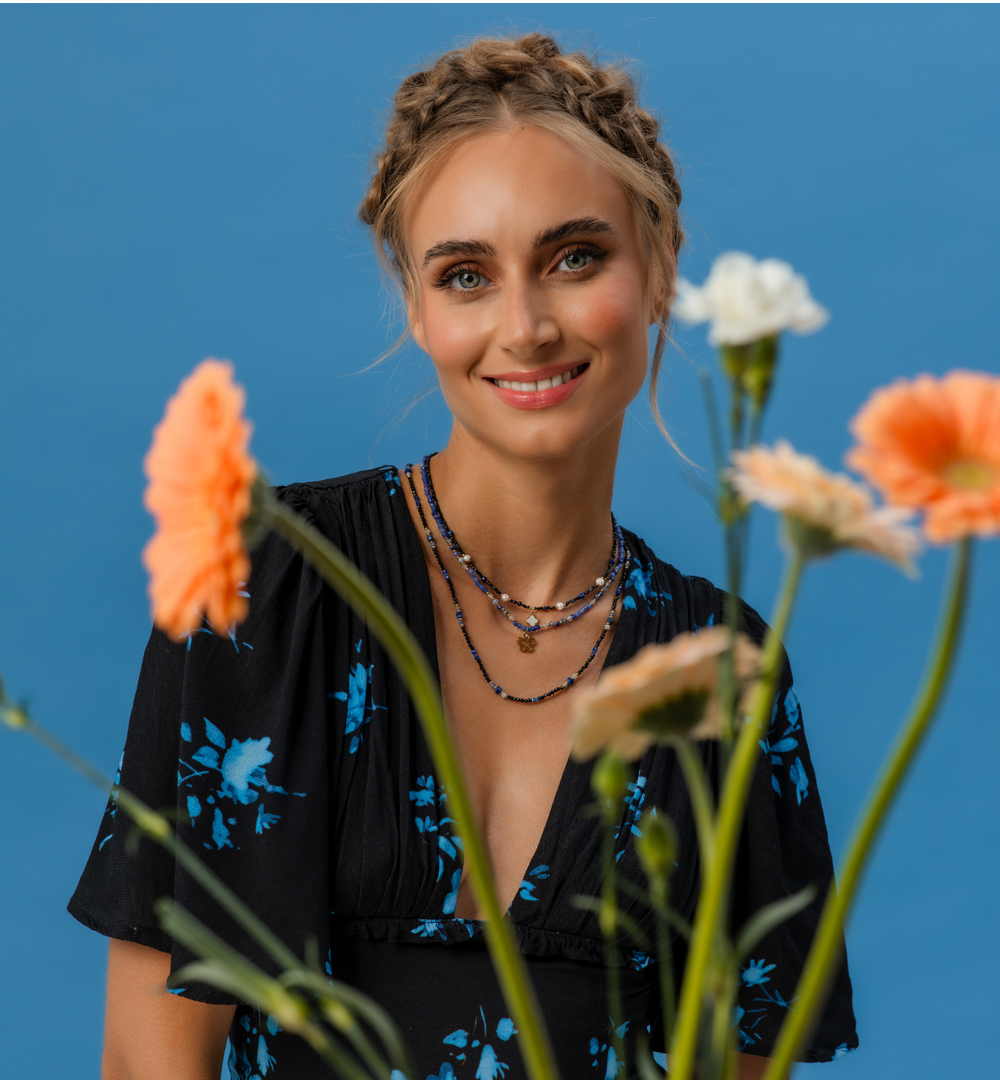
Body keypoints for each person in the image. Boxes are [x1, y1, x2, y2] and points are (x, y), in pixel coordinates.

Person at [69, 32, 857, 1081]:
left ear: (660, 266)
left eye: (575, 257)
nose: (525, 326)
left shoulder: (721, 670)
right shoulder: (267, 585)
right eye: (467, 274)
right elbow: (149, 1062)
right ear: (417, 306)